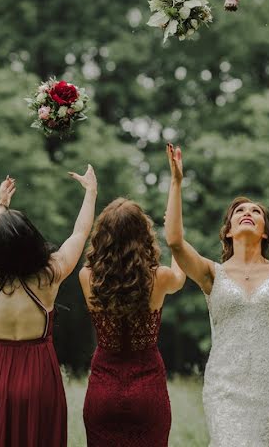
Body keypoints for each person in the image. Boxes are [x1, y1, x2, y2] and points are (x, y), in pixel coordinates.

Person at [166, 139, 269, 447]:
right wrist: (176, 183)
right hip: (225, 389)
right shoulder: (210, 274)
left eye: (256, 212)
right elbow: (175, 242)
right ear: (228, 229)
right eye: (239, 211)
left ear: (265, 231)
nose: (247, 213)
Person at [0, 165, 97, 447]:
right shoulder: (49, 275)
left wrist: (1, 203)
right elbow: (80, 233)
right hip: (38, 378)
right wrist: (91, 192)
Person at [80, 191, 186, 446]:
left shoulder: (88, 277)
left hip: (103, 389)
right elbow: (180, 276)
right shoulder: (159, 278)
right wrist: (176, 240)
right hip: (147, 388)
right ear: (143, 235)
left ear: (102, 236)